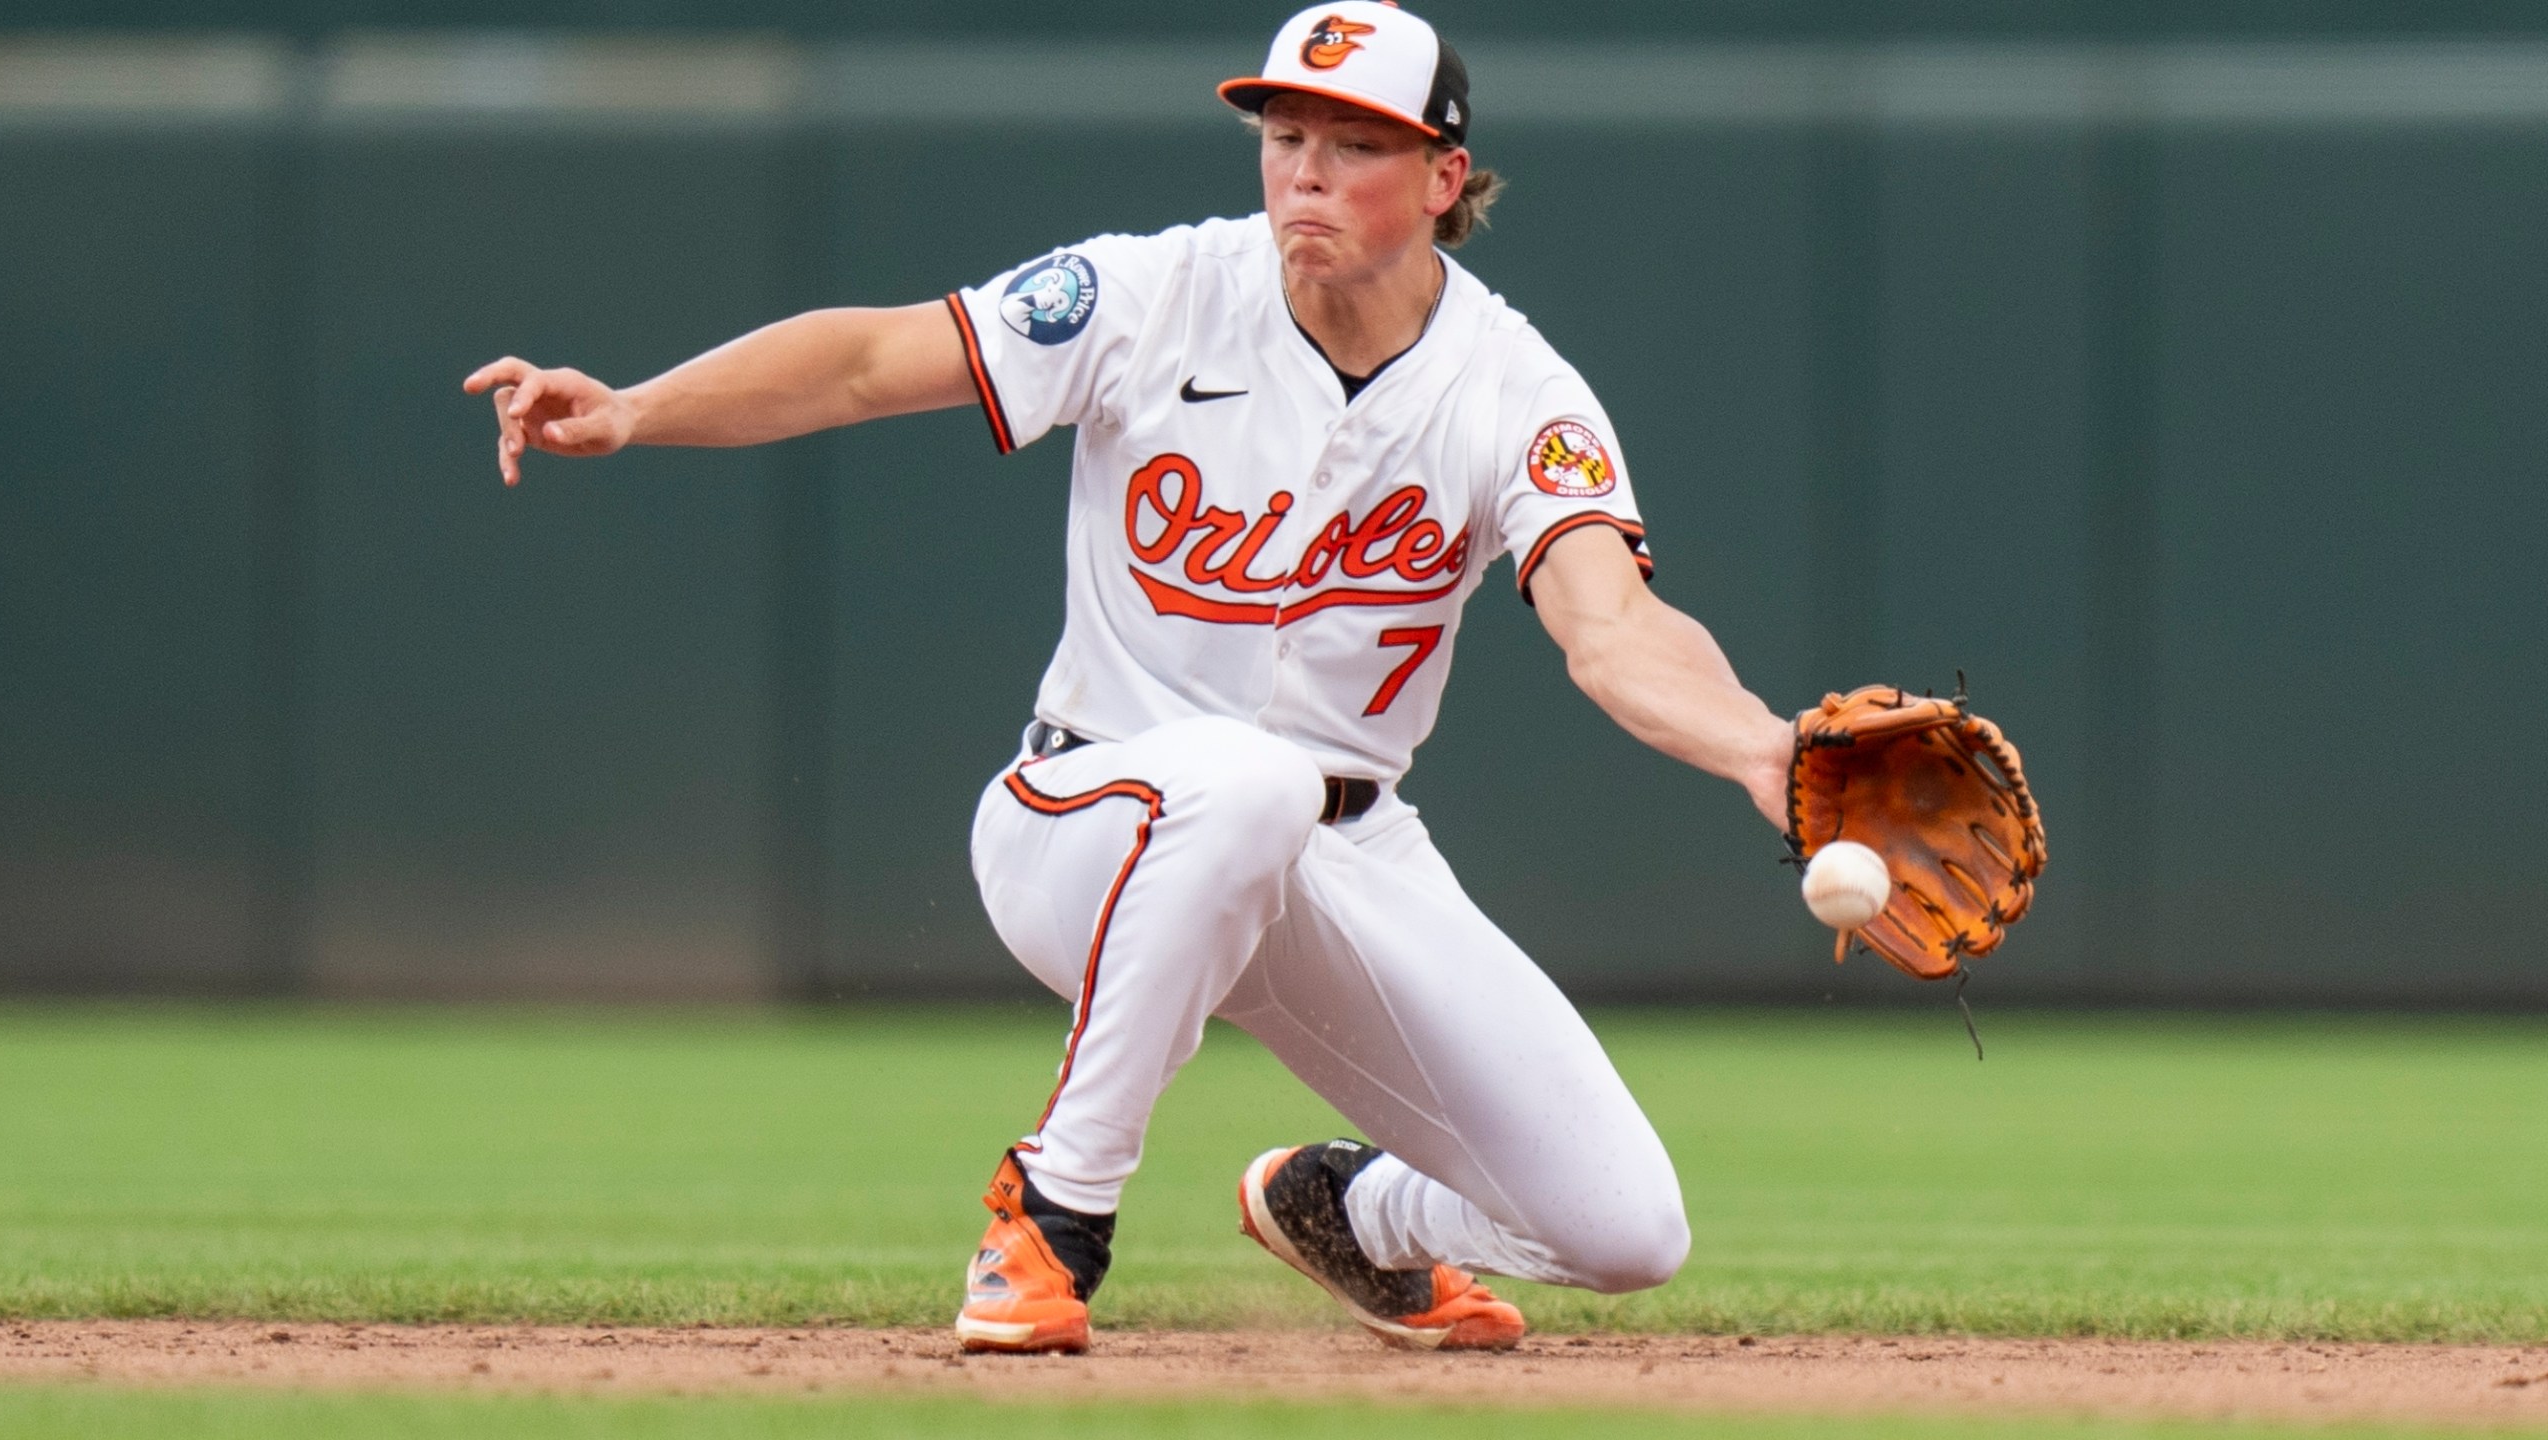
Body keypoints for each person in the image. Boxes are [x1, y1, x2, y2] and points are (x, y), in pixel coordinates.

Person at [463, 1, 1795, 1355]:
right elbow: (870, 361)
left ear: (1448, 180)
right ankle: (1052, 1211)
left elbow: (1613, 627)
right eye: (1285, 135)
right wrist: (636, 407)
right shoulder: (1153, 293)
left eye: (1356, 143)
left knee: (1629, 1231)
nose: (1307, 172)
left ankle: (1354, 1214)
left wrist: (1764, 748)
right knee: (1248, 780)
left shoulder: (1514, 389)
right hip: (1086, 819)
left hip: (1344, 856)